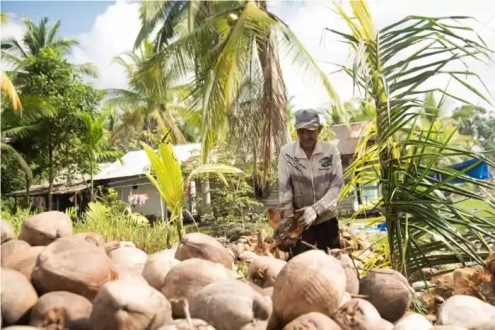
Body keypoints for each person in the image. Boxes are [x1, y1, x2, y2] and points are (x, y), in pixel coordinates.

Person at [278, 108, 343, 258]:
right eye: (301, 131)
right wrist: (287, 218)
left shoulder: (331, 151)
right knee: (299, 269)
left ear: (319, 130)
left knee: (332, 265)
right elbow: (284, 188)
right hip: (299, 222)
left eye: (311, 131)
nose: (306, 136)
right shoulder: (287, 153)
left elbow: (336, 186)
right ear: (296, 132)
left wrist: (315, 210)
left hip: (327, 220)